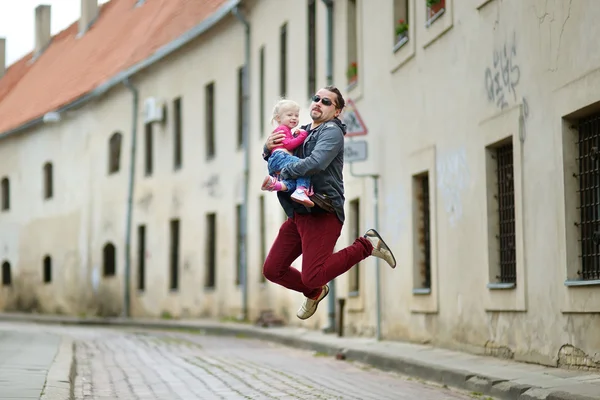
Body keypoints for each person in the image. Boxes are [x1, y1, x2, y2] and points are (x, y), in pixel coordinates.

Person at [261, 86, 396, 321]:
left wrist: (284, 169)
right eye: (316, 98)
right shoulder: (302, 132)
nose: (318, 103)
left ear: (337, 111)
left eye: (326, 101)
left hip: (322, 211)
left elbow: (315, 163)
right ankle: (315, 293)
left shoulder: (331, 132)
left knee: (312, 275)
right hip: (298, 213)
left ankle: (367, 245)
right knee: (273, 269)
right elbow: (280, 150)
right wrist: (268, 147)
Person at [261, 99, 314, 207]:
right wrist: (302, 135)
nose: (294, 118)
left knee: (293, 182)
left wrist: (295, 135)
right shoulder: (282, 129)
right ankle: (301, 191)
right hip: (281, 158)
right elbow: (289, 145)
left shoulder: (286, 130)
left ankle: (276, 185)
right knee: (303, 166)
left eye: (296, 115)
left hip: (278, 161)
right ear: (278, 118)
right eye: (289, 115)